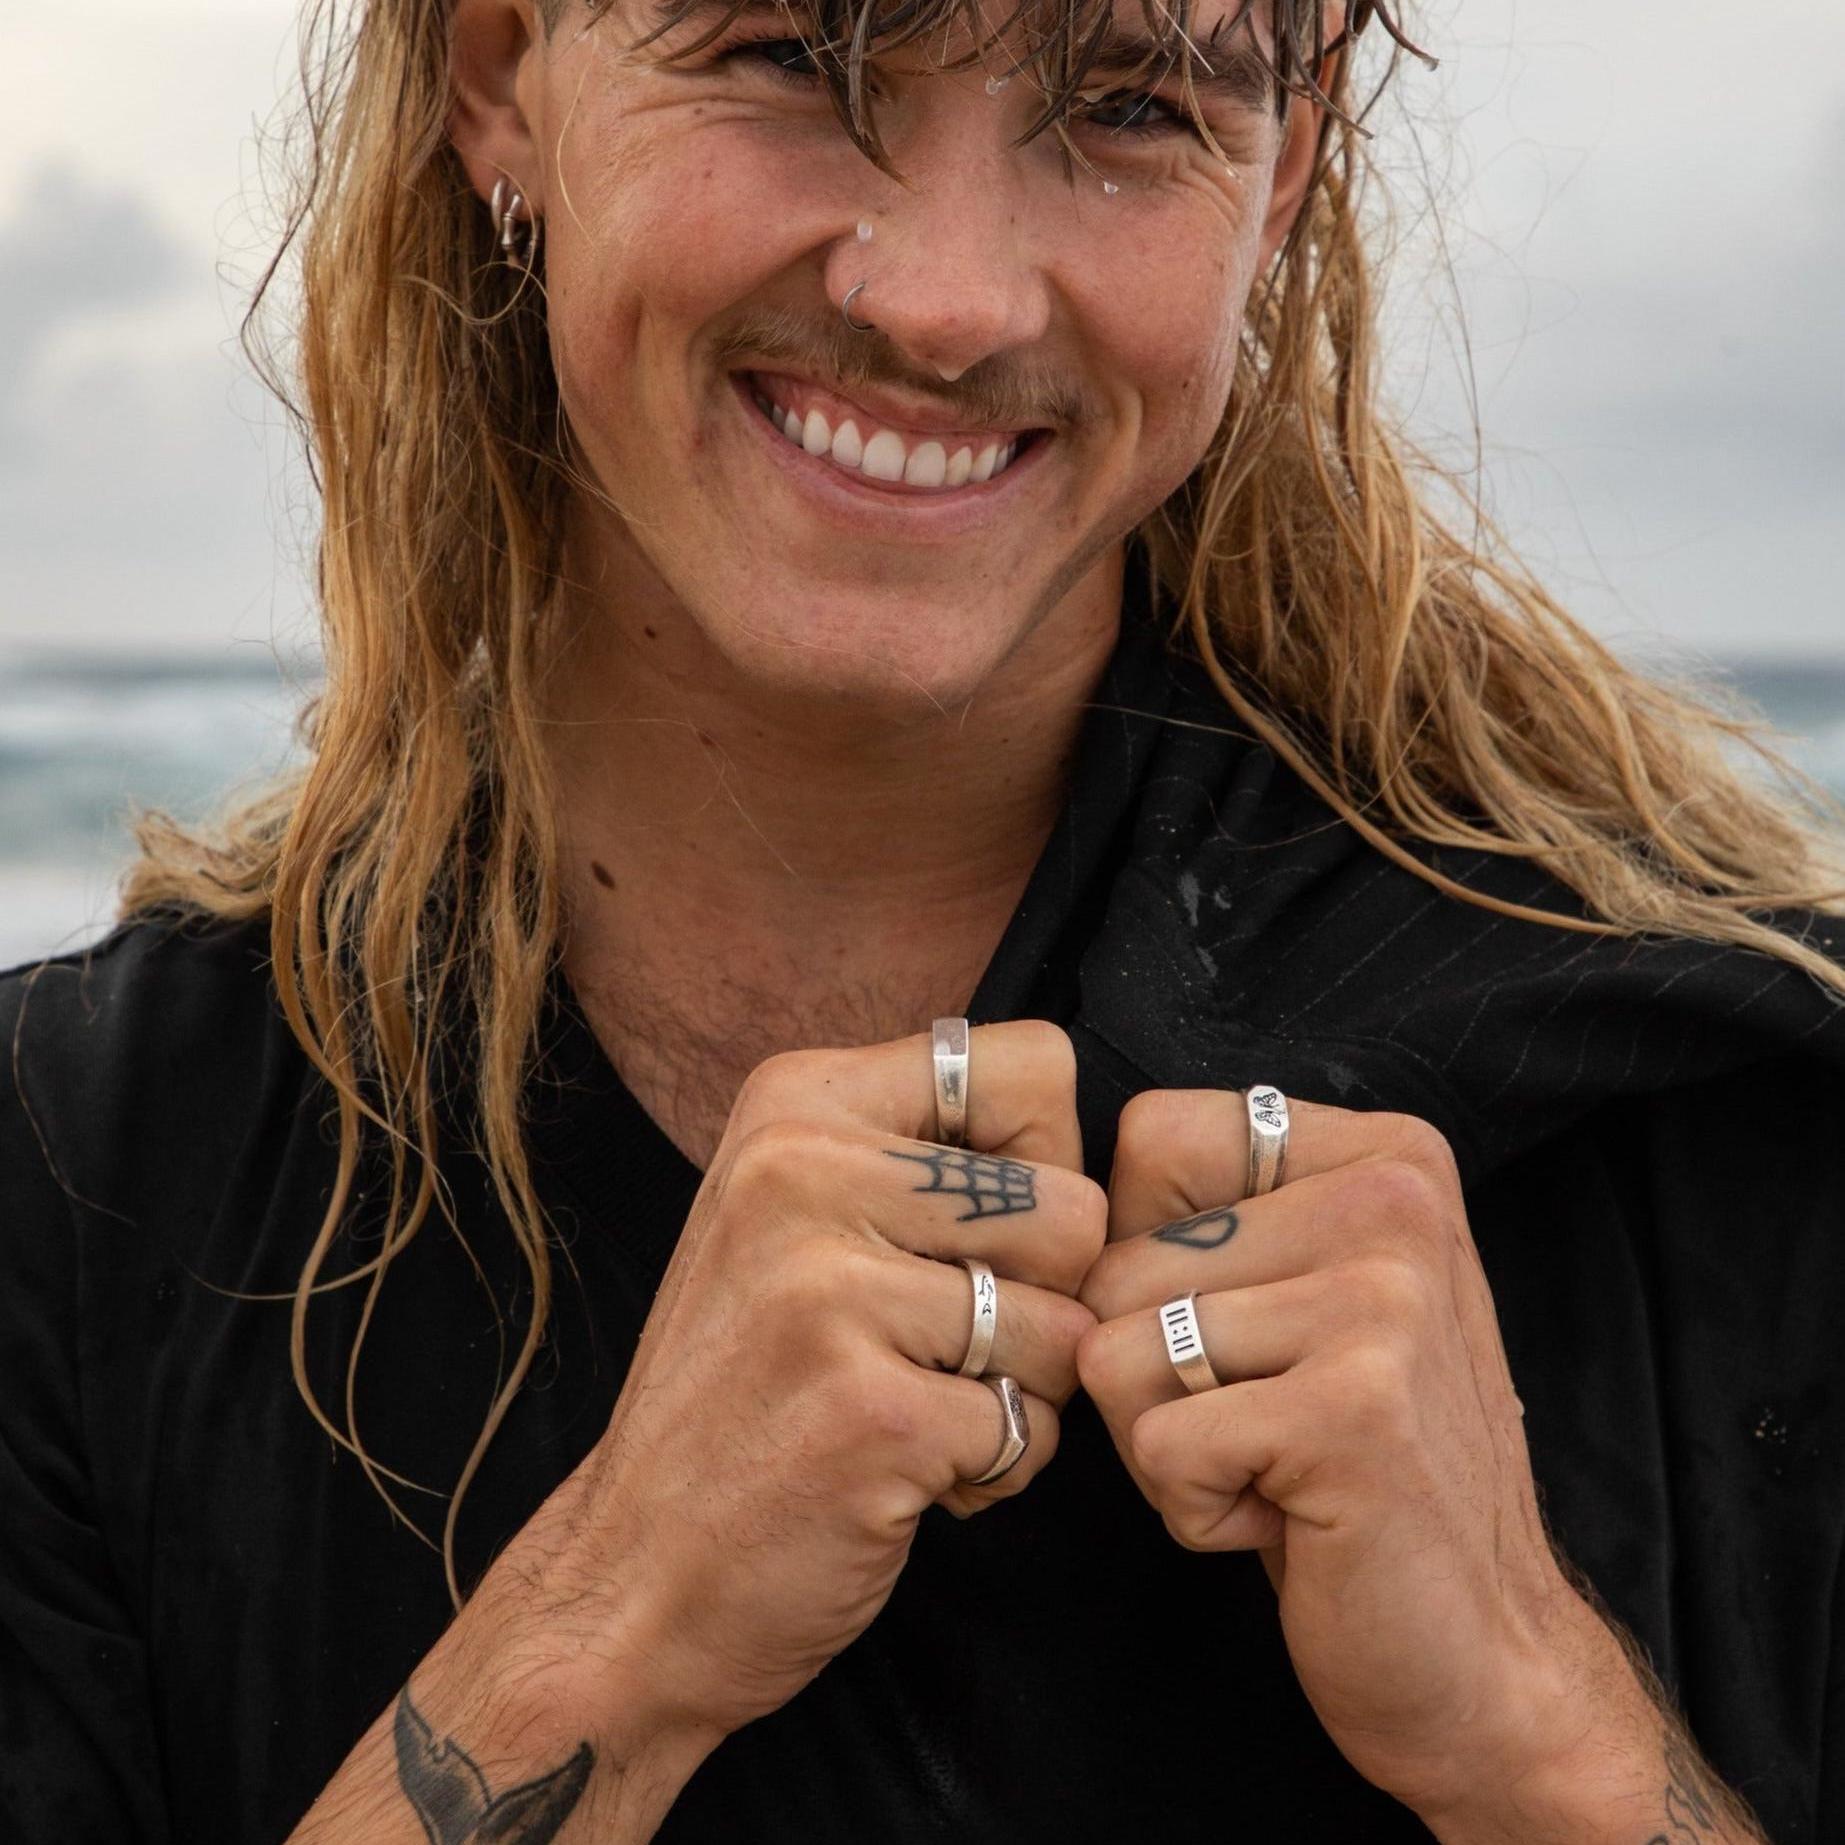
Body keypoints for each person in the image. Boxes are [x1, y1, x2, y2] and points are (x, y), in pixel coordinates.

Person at [2, 0, 1841, 1838]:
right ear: (499, 77)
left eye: (1129, 102)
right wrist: (603, 1634)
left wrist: (1538, 1732)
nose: (947, 300)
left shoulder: (1736, 1119)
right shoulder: (74, 1181)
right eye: (790, 55)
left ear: (1277, 171)